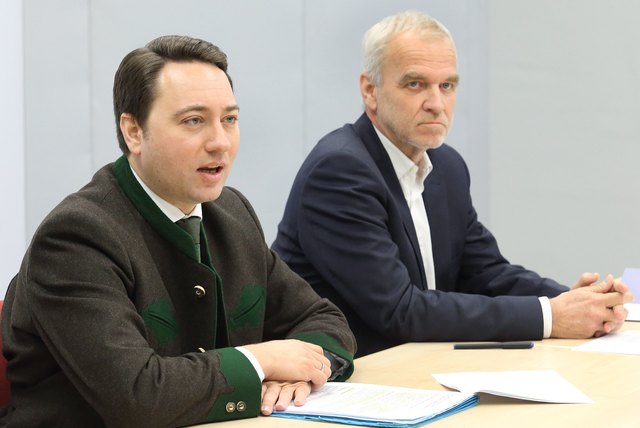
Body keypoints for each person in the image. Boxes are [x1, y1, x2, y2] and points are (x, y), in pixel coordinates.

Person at [0, 35, 356, 427]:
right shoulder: (76, 236)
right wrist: (262, 360)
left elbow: (323, 319)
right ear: (133, 132)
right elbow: (137, 396)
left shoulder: (231, 212)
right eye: (194, 121)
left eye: (230, 119)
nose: (220, 142)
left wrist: (296, 377)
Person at [272, 10, 632, 357]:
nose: (436, 103)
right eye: (416, 84)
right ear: (370, 90)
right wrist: (552, 317)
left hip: (419, 369)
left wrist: (578, 301)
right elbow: (400, 311)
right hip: (345, 382)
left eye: (447, 85)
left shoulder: (446, 165)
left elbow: (486, 272)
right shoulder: (340, 171)